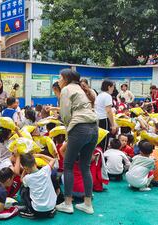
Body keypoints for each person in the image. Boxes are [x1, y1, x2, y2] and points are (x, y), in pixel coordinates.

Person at [55, 69, 98, 215]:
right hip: (94, 128)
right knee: (85, 166)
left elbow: (65, 114)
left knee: (68, 165)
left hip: (79, 128)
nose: (58, 80)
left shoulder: (66, 89)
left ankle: (68, 203)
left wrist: (69, 132)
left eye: (60, 77)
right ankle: (88, 204)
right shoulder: (80, 88)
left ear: (66, 78)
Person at [19, 153, 57, 219]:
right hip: (51, 207)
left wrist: (24, 171)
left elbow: (21, 179)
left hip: (37, 210)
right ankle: (51, 212)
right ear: (35, 163)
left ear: (25, 168)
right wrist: (40, 155)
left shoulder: (28, 178)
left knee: (24, 188)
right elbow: (53, 160)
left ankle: (30, 212)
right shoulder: (46, 170)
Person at [95, 80, 118, 151]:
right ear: (109, 87)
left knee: (98, 140)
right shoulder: (107, 96)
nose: (113, 89)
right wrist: (113, 125)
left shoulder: (99, 95)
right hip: (104, 120)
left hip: (97, 120)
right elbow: (108, 111)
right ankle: (103, 157)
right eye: (113, 87)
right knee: (104, 141)